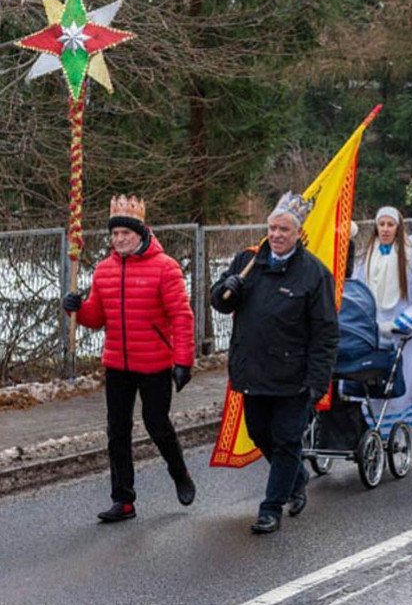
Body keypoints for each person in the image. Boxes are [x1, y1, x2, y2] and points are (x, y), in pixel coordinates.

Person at [62, 195, 196, 523]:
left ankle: (180, 473)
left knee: (156, 423)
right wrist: (76, 307)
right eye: (115, 234)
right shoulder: (105, 271)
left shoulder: (166, 268)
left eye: (126, 233)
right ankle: (123, 500)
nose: (119, 239)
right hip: (117, 364)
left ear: (140, 233)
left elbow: (181, 315)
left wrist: (183, 361)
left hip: (155, 363)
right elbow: (97, 317)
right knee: (117, 431)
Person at [211, 191, 338, 534]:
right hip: (252, 370)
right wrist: (228, 287)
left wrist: (317, 381)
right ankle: (296, 478)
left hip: (292, 376)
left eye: (284, 229)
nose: (277, 235)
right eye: (272, 228)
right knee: (259, 434)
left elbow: (326, 333)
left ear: (298, 233)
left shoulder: (314, 274)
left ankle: (271, 508)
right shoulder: (247, 262)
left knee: (286, 439)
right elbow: (218, 302)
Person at [354, 207, 412, 456]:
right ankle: (379, 431)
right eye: (382, 224)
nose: (386, 229)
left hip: (404, 331)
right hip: (374, 330)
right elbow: (359, 290)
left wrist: (404, 322)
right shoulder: (365, 257)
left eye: (391, 224)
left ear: (399, 227)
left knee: (411, 380)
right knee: (377, 381)